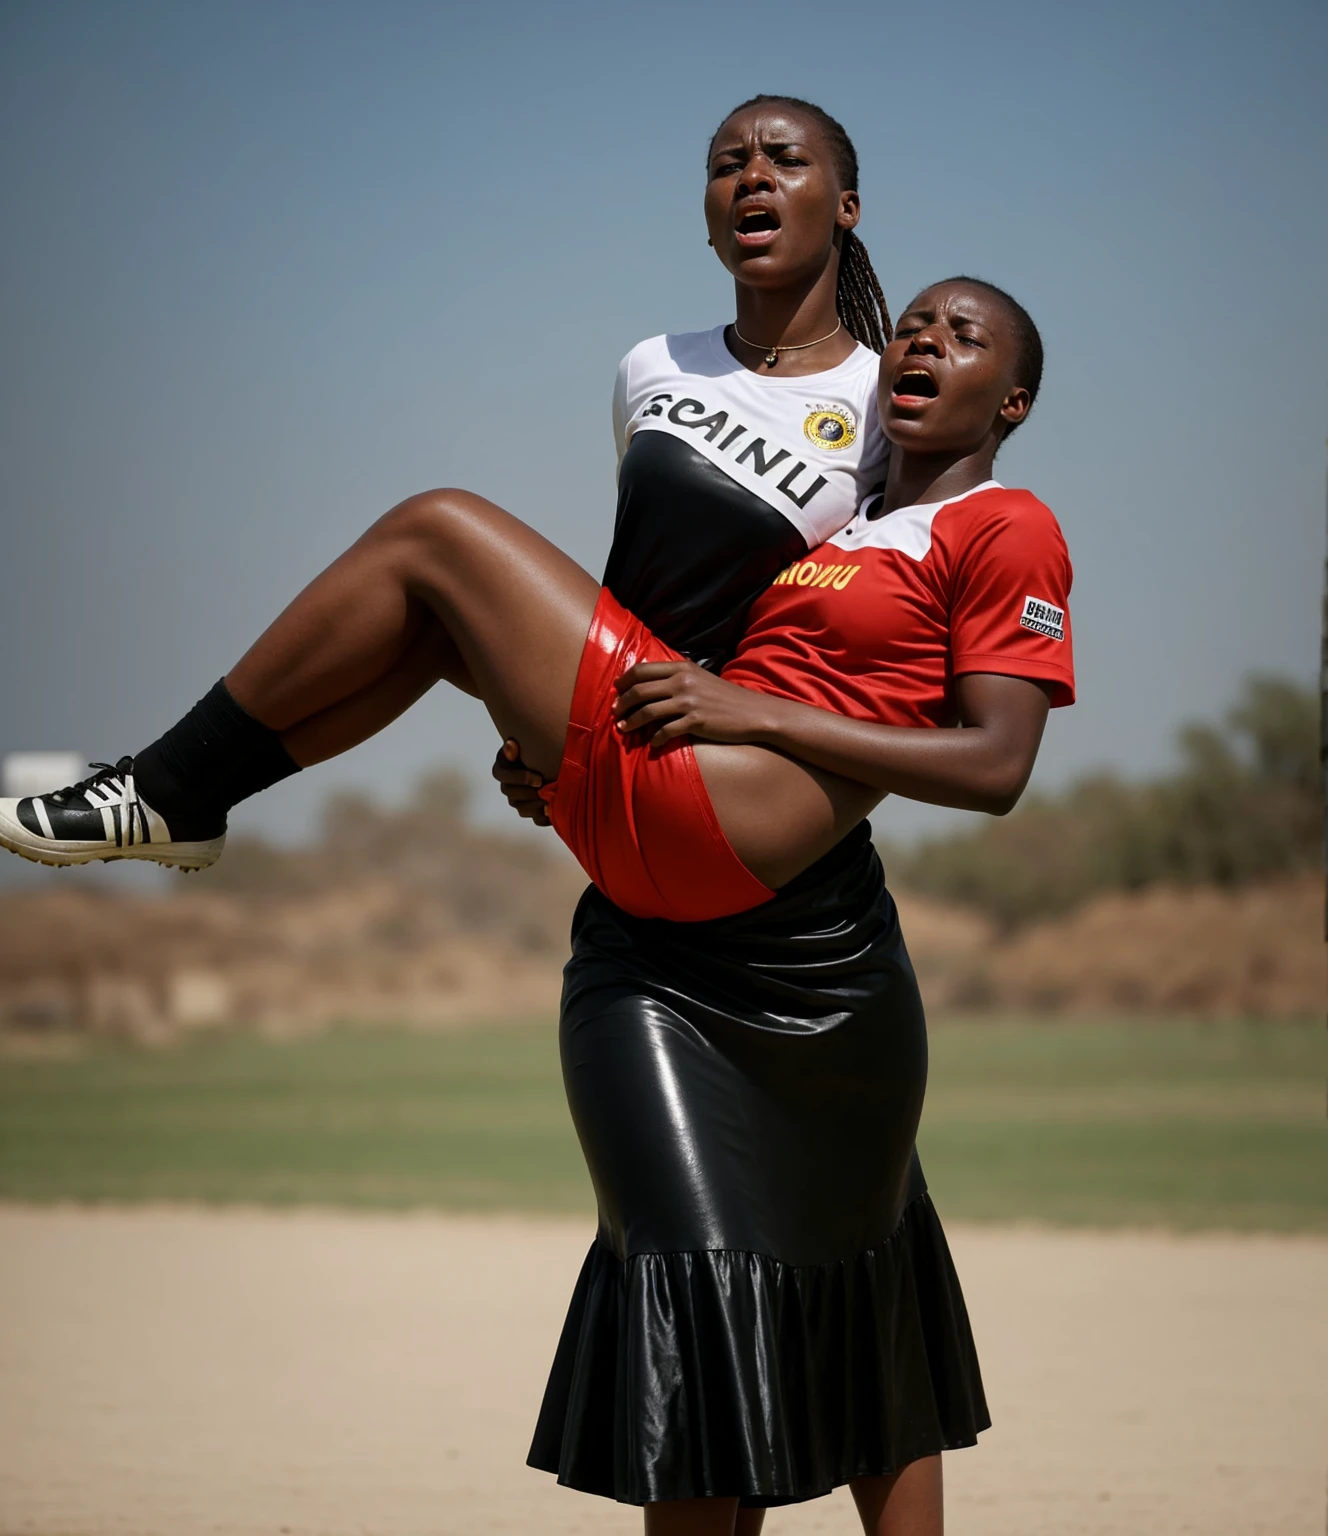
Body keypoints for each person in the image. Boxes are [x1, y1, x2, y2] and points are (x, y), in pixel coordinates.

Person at [0, 267, 1073, 1529]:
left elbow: (995, 766)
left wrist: (746, 710)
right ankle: (190, 801)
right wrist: (560, 744)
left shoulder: (1007, 524)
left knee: (439, 529)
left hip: (737, 825)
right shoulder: (838, 535)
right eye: (925, 324)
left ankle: (174, 791)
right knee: (443, 623)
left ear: (1011, 397)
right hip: (683, 841)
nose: (929, 341)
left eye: (966, 337)